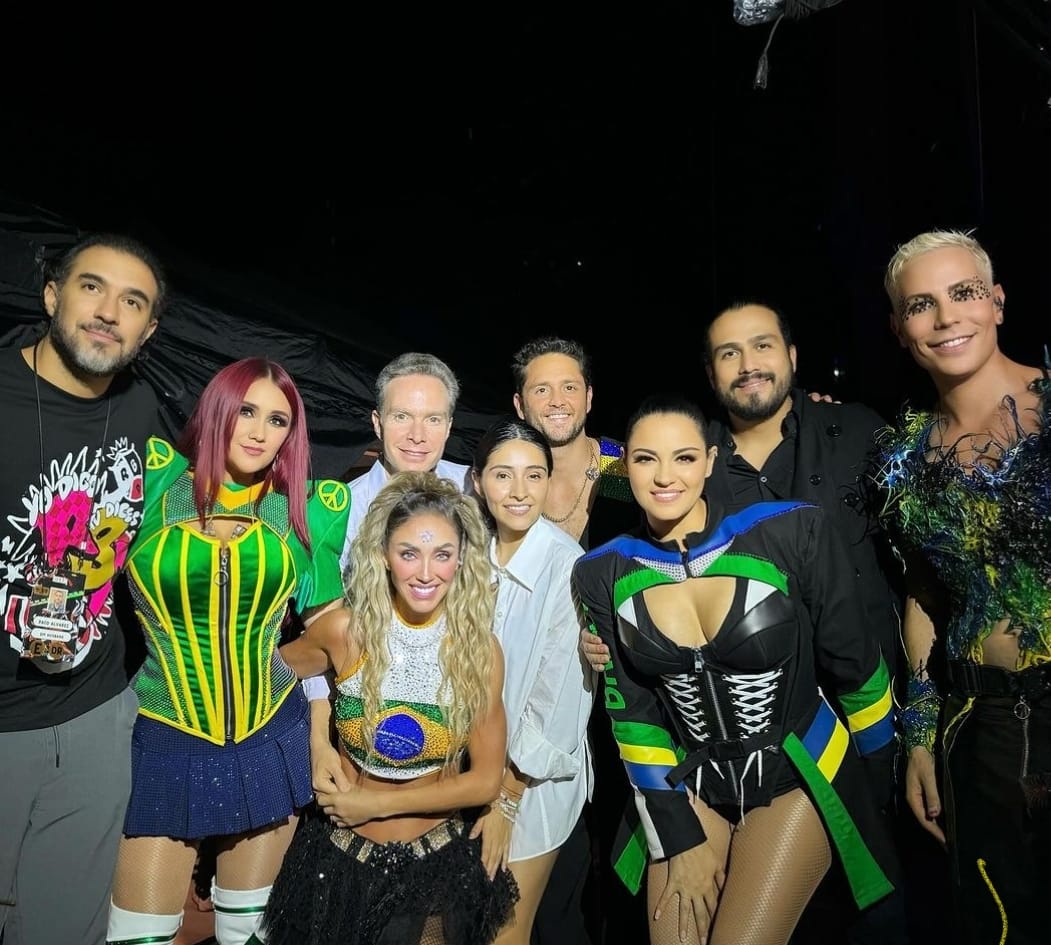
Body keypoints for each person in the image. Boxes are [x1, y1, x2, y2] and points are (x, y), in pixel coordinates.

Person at [573, 393, 898, 945]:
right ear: (625, 466)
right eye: (646, 459)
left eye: (683, 457)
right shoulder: (601, 571)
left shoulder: (790, 531)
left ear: (709, 460)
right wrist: (677, 837)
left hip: (797, 775)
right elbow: (633, 714)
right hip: (686, 783)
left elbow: (857, 665)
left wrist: (876, 782)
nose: (665, 476)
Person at [105, 357, 349, 945]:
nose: (260, 432)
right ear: (218, 411)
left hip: (269, 739)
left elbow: (335, 636)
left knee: (247, 933)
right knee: (137, 935)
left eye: (278, 420)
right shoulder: (156, 483)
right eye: (246, 411)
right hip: (164, 734)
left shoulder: (307, 510)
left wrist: (277, 671)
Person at [700, 301, 909, 944]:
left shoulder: (860, 433)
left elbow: (925, 570)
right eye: (729, 353)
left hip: (868, 731)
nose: (748, 365)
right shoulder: (689, 463)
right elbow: (608, 471)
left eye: (762, 346)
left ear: (792, 357)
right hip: (752, 758)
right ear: (710, 373)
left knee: (873, 918)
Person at [876, 229, 1049, 945]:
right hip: (978, 730)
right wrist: (918, 736)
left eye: (963, 293)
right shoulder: (904, 455)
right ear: (899, 328)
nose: (946, 317)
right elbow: (923, 596)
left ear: (997, 302)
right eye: (921, 304)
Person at [263, 471, 519, 945]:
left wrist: (375, 804)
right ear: (383, 554)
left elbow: (485, 780)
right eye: (408, 553)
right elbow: (268, 675)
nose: (426, 573)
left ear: (462, 558)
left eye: (442, 555)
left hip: (432, 872)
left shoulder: (479, 652)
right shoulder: (346, 631)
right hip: (335, 862)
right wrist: (318, 738)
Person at [0, 233, 166, 945]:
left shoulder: (141, 408)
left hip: (96, 715)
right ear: (51, 295)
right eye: (91, 287)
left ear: (148, 330)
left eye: (133, 302)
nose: (108, 312)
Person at [510, 336, 637, 945]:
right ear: (520, 404)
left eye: (568, 387)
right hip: (539, 707)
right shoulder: (512, 483)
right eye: (541, 389)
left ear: (589, 397)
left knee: (623, 861)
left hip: (627, 703)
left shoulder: (628, 471)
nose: (556, 400)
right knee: (550, 874)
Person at [470, 418, 594, 945]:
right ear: (478, 482)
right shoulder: (468, 551)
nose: (520, 491)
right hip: (467, 773)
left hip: (529, 783)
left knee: (503, 930)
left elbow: (557, 702)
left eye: (534, 475)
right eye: (503, 475)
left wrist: (506, 798)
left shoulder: (568, 567)